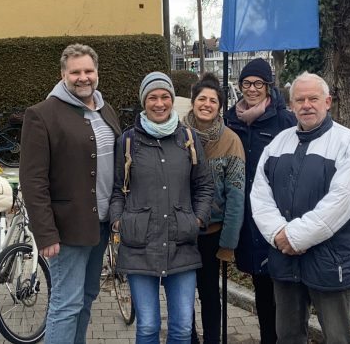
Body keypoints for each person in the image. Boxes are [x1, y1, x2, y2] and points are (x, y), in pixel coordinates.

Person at [250, 72, 350, 344]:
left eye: (313, 98)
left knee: (338, 338)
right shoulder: (278, 143)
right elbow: (260, 194)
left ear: (327, 102)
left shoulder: (347, 143)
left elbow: (342, 202)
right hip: (285, 261)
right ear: (291, 106)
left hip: (330, 263)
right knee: (288, 337)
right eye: (300, 99)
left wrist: (294, 237)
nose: (306, 105)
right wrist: (279, 234)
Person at [20, 44, 122, 344]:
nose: (83, 77)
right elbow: (33, 179)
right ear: (63, 74)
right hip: (66, 230)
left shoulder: (106, 109)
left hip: (101, 224)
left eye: (88, 71)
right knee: (66, 304)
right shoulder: (42, 114)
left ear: (97, 73)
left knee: (87, 297)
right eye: (75, 72)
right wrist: (45, 233)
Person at [110, 72, 214, 344]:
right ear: (144, 101)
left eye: (165, 96)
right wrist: (118, 221)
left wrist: (198, 220)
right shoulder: (128, 140)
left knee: (181, 327)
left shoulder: (189, 138)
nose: (159, 103)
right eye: (152, 97)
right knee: (148, 327)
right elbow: (116, 189)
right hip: (139, 245)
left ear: (172, 100)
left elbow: (204, 186)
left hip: (181, 244)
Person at [223, 58, 296, 344]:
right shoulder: (231, 119)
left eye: (258, 84)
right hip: (247, 219)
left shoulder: (284, 120)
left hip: (277, 216)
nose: (251, 89)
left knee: (282, 289)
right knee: (262, 288)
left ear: (268, 86)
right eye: (246, 83)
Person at [182, 73, 245, 344]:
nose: (206, 104)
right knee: (182, 294)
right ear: (193, 101)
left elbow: (236, 195)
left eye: (213, 100)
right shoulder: (176, 134)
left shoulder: (231, 141)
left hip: (212, 234)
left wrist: (228, 243)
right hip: (181, 233)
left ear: (220, 106)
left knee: (209, 294)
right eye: (201, 98)